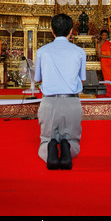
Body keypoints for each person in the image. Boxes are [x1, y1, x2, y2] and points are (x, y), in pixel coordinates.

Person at [34, 13, 86, 170]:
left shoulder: (42, 51)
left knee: (45, 139)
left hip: (49, 102)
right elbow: (82, 78)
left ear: (51, 30)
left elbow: (38, 78)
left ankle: (50, 147)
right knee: (74, 142)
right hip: (72, 102)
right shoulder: (79, 52)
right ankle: (66, 148)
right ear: (71, 31)